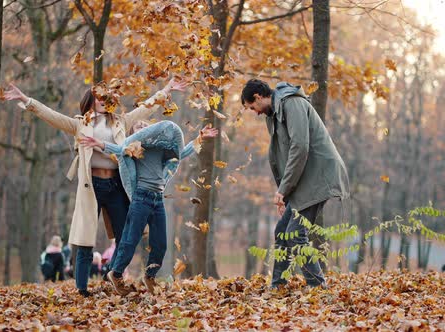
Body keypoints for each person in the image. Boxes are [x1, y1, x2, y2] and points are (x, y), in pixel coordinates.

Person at [2, 78, 188, 297]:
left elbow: (146, 108)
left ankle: (112, 275)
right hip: (91, 187)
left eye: (105, 98)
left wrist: (166, 89)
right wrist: (26, 99)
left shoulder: (121, 121)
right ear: (90, 101)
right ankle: (81, 289)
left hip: (116, 185)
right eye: (98, 97)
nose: (102, 101)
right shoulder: (79, 124)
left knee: (126, 236)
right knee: (85, 241)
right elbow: (51, 116)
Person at [79, 120, 217, 295]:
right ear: (134, 132)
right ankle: (116, 273)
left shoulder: (160, 146)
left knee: (160, 244)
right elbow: (120, 150)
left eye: (145, 124)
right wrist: (101, 144)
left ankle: (150, 276)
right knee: (130, 240)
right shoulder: (134, 147)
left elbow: (180, 153)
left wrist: (200, 138)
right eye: (139, 126)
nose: (143, 126)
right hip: (141, 197)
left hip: (157, 199)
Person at [240, 79, 350, 289]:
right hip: (305, 179)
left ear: (257, 97)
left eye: (252, 107)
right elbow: (281, 157)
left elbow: (300, 148)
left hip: (319, 176)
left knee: (295, 233)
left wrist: (283, 190)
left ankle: (318, 287)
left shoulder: (292, 103)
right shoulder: (274, 114)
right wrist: (285, 194)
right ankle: (277, 285)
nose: (255, 112)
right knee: (282, 230)